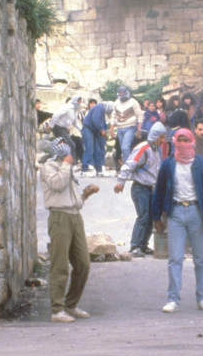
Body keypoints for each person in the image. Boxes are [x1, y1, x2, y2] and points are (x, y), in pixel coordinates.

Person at [151, 128, 203, 313]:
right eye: (179, 140)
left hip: (197, 212)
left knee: (200, 258)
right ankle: (172, 299)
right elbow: (159, 190)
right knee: (175, 258)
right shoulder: (168, 164)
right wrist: (156, 216)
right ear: (174, 141)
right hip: (175, 212)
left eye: (186, 140)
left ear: (192, 142)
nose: (182, 143)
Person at [40, 137, 99, 322]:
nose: (67, 150)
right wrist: (66, 164)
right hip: (59, 217)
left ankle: (71, 304)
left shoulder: (68, 169)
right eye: (62, 147)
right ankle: (57, 309)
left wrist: (85, 195)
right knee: (60, 264)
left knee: (83, 263)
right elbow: (57, 185)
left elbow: (72, 198)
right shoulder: (49, 167)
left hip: (74, 216)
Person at [114, 122, 168, 258]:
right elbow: (129, 165)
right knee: (143, 217)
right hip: (140, 188)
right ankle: (135, 246)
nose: (163, 141)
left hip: (152, 188)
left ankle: (143, 245)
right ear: (155, 136)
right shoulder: (143, 148)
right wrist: (121, 182)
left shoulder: (157, 150)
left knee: (151, 217)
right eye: (161, 137)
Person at [111, 86, 144, 162]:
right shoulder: (116, 102)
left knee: (125, 147)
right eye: (119, 93)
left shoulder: (133, 102)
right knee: (123, 149)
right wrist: (111, 128)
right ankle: (127, 163)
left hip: (130, 127)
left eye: (122, 93)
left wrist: (139, 128)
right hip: (119, 128)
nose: (121, 94)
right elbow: (113, 115)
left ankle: (129, 166)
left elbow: (139, 115)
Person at [82, 101, 114, 177]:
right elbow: (96, 120)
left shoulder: (102, 111)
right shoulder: (99, 108)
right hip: (88, 128)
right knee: (89, 149)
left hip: (95, 130)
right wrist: (102, 130)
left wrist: (104, 132)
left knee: (98, 150)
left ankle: (99, 169)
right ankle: (85, 169)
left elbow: (103, 124)